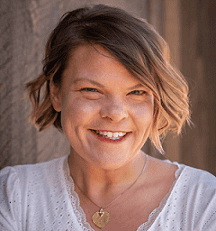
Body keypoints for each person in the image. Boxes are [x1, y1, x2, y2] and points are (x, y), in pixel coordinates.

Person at [0, 4, 216, 231]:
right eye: (91, 90)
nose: (114, 113)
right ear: (56, 93)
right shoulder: (14, 195)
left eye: (136, 92)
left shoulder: (204, 203)